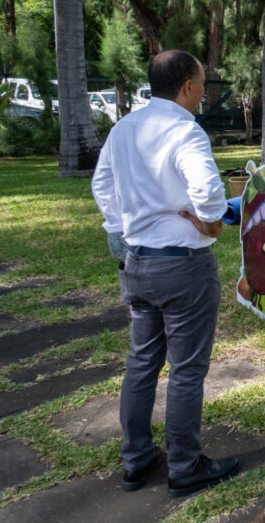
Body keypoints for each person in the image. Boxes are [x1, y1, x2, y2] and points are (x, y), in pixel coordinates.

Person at [91, 50, 240, 497]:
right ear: (188, 86)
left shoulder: (123, 128)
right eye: (202, 81)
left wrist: (122, 229)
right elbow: (210, 195)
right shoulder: (185, 131)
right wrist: (210, 220)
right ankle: (185, 466)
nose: (203, 89)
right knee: (187, 370)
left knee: (141, 365)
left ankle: (136, 461)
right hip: (183, 266)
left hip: (136, 262)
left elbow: (102, 184)